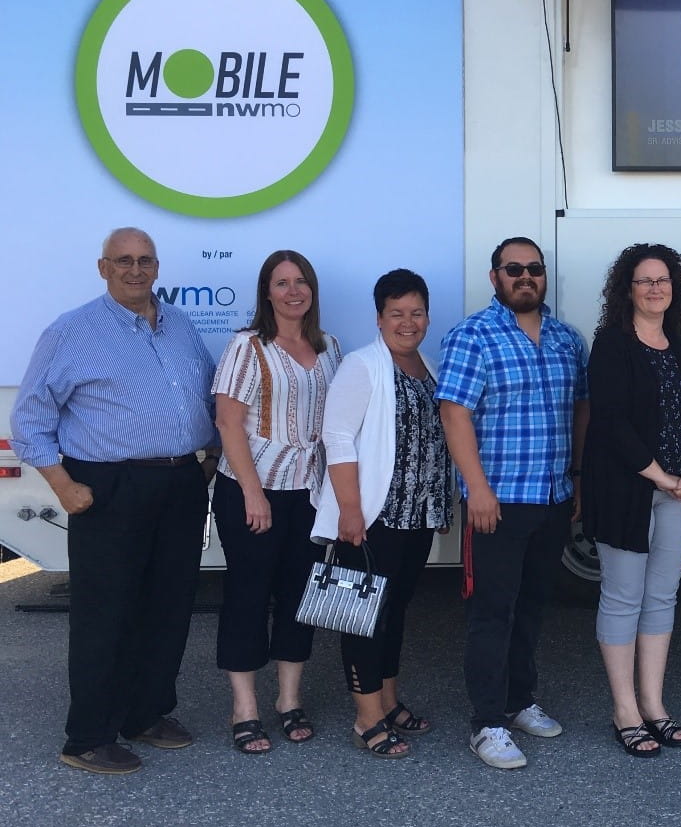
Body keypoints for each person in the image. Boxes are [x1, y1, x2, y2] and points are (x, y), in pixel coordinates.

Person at [11, 228, 220, 774]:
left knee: (169, 604)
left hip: (179, 482)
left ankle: (147, 715)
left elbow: (205, 392)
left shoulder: (177, 323)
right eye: (123, 261)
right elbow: (31, 418)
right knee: (106, 613)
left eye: (145, 260)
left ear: (157, 267)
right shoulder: (72, 331)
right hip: (108, 485)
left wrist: (211, 458)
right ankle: (88, 737)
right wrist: (63, 485)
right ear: (103, 268)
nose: (135, 270)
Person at [438, 237, 589, 771]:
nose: (525, 276)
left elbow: (580, 407)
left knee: (530, 608)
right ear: (495, 276)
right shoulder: (473, 335)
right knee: (491, 614)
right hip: (496, 502)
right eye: (514, 269)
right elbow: (454, 414)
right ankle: (487, 724)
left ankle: (520, 700)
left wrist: (575, 477)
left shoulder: (567, 339)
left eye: (535, 269)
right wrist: (476, 487)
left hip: (552, 498)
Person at [582, 244, 681, 757]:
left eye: (662, 280)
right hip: (627, 491)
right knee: (623, 597)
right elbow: (611, 422)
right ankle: (624, 711)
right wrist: (662, 475)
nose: (655, 288)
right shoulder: (611, 345)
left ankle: (654, 706)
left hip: (678, 492)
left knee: (663, 597)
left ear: (674, 288)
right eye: (644, 281)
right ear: (627, 290)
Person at [312, 269, 452, 760]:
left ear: (427, 317)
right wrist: (350, 510)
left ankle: (388, 703)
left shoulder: (427, 367)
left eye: (416, 313)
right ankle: (366, 718)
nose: (407, 322)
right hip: (372, 518)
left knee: (392, 614)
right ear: (379, 318)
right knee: (362, 617)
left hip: (415, 519)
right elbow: (338, 438)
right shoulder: (362, 366)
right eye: (397, 313)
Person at [211, 250, 341, 756]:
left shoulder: (330, 346)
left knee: (298, 596)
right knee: (247, 595)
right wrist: (251, 492)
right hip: (251, 491)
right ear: (267, 292)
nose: (294, 291)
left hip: (308, 492)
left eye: (301, 281)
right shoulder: (248, 346)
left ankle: (289, 700)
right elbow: (227, 422)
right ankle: (245, 708)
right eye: (282, 282)